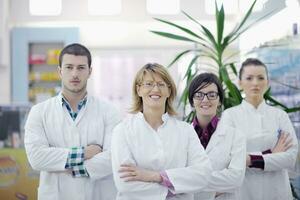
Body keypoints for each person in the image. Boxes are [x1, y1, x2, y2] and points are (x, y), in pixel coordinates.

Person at [24, 43, 121, 200]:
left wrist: (72, 167)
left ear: (90, 71)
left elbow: (114, 157)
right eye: (69, 67)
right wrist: (84, 153)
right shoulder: (39, 112)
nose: (75, 74)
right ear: (60, 71)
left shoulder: (109, 111)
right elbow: (36, 157)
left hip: (97, 194)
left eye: (81, 68)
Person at [111, 63, 212, 200]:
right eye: (148, 84)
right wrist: (177, 188)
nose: (155, 89)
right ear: (138, 89)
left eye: (161, 84)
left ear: (169, 91)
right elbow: (125, 183)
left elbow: (203, 174)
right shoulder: (122, 131)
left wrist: (156, 176)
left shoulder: (185, 130)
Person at [220, 58, 298, 200]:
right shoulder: (229, 116)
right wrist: (271, 153)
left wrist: (249, 159)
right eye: (249, 78)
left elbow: (290, 158)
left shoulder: (280, 116)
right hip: (243, 192)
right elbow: (228, 158)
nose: (255, 83)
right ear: (240, 83)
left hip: (277, 191)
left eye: (260, 78)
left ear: (267, 83)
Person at [188, 73, 246, 200]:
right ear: (192, 101)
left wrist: (190, 180)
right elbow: (173, 174)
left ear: (220, 100)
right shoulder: (180, 134)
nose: (205, 100)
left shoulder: (235, 136)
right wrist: (216, 186)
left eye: (212, 95)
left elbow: (236, 178)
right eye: (199, 95)